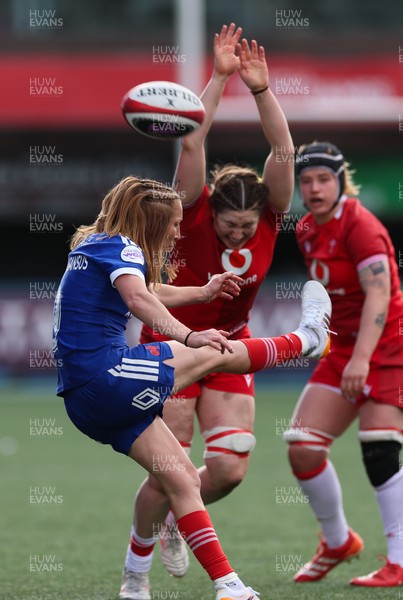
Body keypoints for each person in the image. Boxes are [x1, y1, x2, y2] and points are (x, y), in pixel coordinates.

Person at [52, 174, 332, 600]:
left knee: (182, 478)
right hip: (109, 377)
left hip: (84, 400)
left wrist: (202, 292)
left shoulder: (98, 245)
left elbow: (147, 289)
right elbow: (140, 301)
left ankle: (201, 585)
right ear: (152, 222)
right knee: (217, 350)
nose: (179, 232)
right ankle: (307, 340)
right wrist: (188, 336)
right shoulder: (120, 246)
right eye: (174, 224)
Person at [139, 23, 295, 577]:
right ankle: (156, 529)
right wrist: (218, 78)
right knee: (170, 462)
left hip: (230, 347)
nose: (238, 235)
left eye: (246, 228)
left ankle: (182, 517)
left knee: (227, 470)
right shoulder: (193, 204)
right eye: (231, 226)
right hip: (170, 339)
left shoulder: (271, 214)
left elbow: (282, 148)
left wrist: (260, 89)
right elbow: (191, 139)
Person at [284, 141, 403, 587]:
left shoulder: (361, 225)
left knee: (379, 448)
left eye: (323, 179)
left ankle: (398, 560)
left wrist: (362, 359)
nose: (314, 189)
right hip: (343, 350)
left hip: (387, 348)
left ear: (340, 180)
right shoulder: (306, 229)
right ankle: (337, 541)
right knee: (303, 446)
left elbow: (378, 292)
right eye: (307, 181)